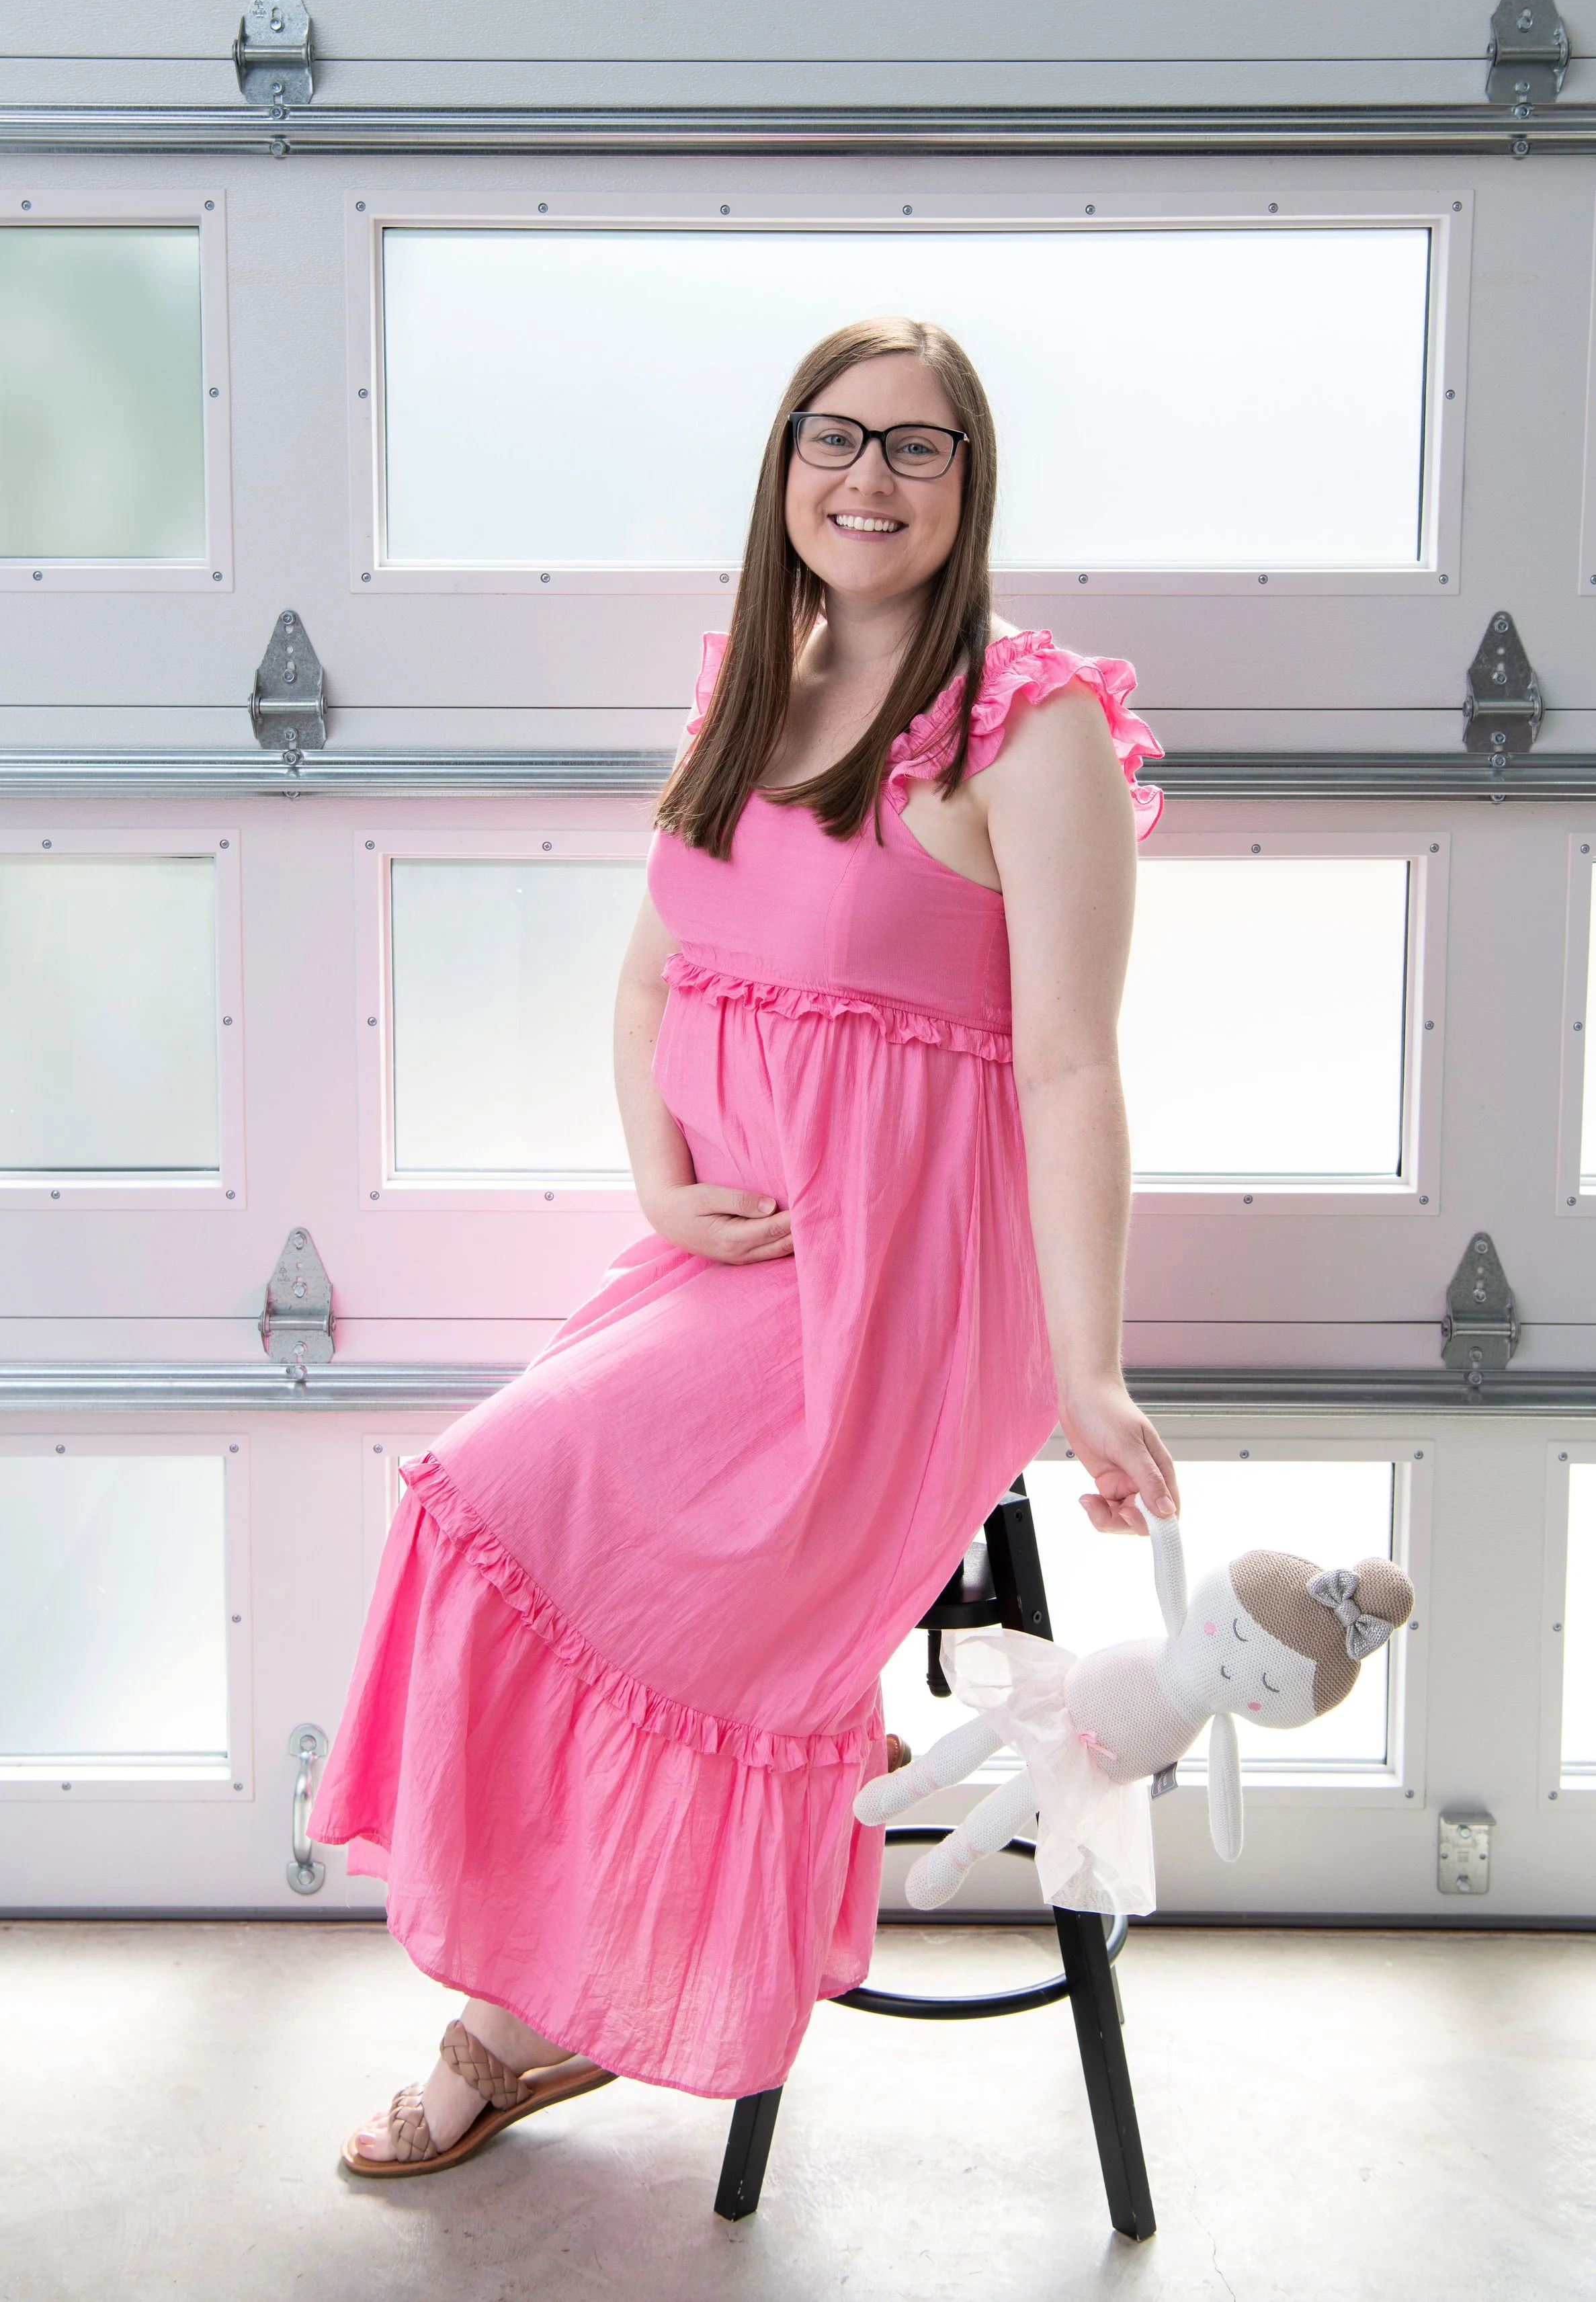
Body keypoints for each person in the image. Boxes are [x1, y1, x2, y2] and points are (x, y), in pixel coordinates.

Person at [315, 314, 1179, 2176]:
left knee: (528, 1493)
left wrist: (1091, 1372)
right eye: (833, 436)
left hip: (907, 1297)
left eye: (918, 445)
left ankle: (515, 2026)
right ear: (785, 463)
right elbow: (655, 971)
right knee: (481, 1505)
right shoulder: (754, 685)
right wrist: (657, 1179)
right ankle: (556, 1990)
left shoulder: (1027, 726)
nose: (869, 477)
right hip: (731, 1259)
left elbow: (1073, 1065)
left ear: (970, 484)